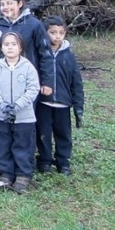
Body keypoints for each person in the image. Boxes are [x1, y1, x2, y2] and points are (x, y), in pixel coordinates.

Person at [0, 32, 40, 193]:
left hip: (23, 117)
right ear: (1, 48)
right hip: (1, 116)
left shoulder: (28, 67)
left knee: (22, 145)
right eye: (6, 44)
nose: (10, 47)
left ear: (20, 47)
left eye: (14, 44)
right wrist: (1, 104)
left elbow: (33, 89)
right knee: (4, 145)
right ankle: (7, 173)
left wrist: (17, 105)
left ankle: (23, 175)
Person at [0, 0, 54, 101]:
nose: (5, 7)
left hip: (25, 80)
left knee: (23, 114)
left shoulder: (34, 24)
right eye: (2, 4)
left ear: (20, 3)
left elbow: (45, 54)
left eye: (9, 3)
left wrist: (47, 82)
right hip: (1, 78)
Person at [36, 16, 85, 175]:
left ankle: (63, 162)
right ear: (45, 33)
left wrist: (78, 106)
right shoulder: (40, 54)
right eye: (52, 32)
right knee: (43, 133)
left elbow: (76, 82)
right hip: (43, 102)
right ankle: (44, 161)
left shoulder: (69, 56)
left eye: (61, 33)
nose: (57, 36)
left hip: (63, 103)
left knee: (63, 134)